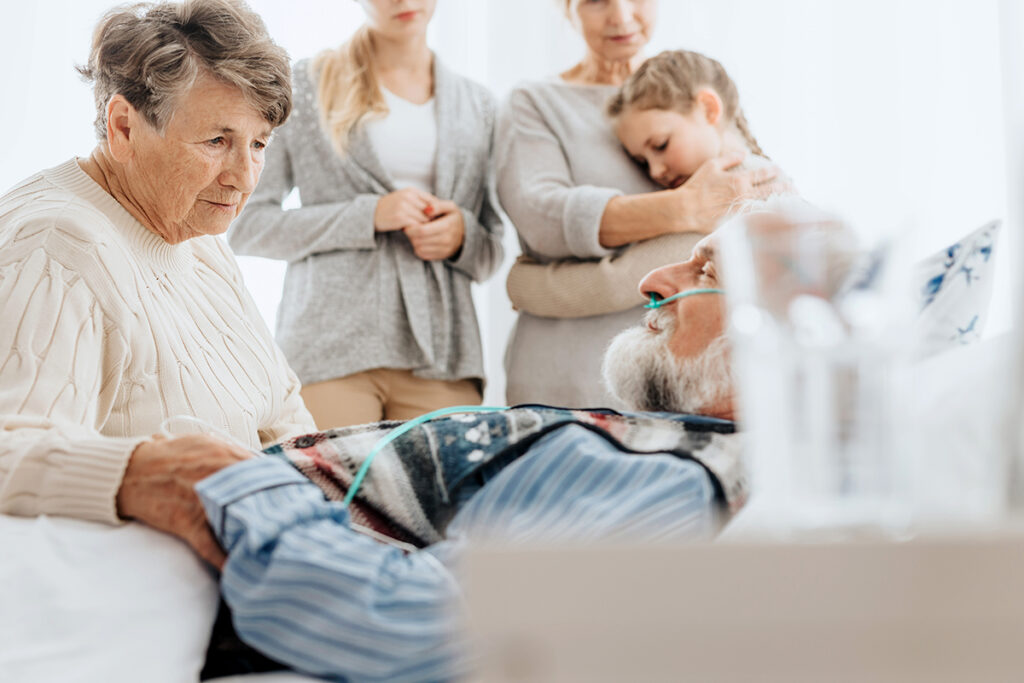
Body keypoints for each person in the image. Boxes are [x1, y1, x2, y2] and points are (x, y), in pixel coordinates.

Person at [0, 0, 317, 568]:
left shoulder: (198, 239)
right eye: (216, 141)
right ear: (124, 126)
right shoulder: (56, 245)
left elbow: (281, 405)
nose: (244, 179)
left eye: (259, 143)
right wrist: (136, 473)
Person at [228, 0, 503, 429]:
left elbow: (493, 247)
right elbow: (247, 226)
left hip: (443, 357)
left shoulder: (480, 106)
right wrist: (369, 215)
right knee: (332, 495)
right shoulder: (306, 84)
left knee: (443, 496)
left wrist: (462, 236)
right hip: (331, 351)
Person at [496, 0, 779, 409]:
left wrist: (531, 286)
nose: (622, 15)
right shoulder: (535, 102)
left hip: (671, 391)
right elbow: (543, 218)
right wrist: (684, 206)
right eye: (596, 1)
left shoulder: (744, 188)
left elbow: (623, 279)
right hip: (562, 377)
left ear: (709, 110)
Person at [507, 48, 785, 320]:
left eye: (661, 145)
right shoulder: (766, 176)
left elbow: (613, 285)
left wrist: (520, 285)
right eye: (642, 161)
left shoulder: (736, 195)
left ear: (708, 109)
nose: (655, 170)